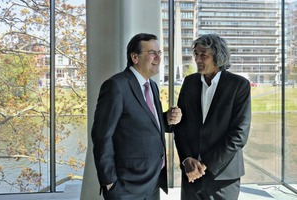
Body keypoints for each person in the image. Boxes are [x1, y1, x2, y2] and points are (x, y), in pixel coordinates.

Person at [91, 33, 182, 200]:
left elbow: (142, 121)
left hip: (153, 181)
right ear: (135, 57)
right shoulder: (116, 86)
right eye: (152, 53)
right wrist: (109, 182)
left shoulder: (152, 86)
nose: (158, 58)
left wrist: (166, 118)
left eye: (159, 53)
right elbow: (101, 136)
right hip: (126, 186)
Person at [174, 34, 251, 200]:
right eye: (195, 54)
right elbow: (180, 127)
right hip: (191, 173)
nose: (197, 59)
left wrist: (204, 165)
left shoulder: (238, 85)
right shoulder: (189, 82)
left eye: (203, 54)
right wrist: (187, 159)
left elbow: (239, 134)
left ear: (218, 56)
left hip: (223, 176)